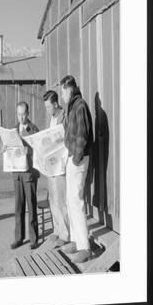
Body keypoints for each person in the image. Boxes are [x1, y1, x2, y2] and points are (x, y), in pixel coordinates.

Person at [60, 75, 93, 263]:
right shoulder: (73, 105)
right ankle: (75, 239)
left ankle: (84, 248)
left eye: (63, 92)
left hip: (78, 160)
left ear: (69, 89)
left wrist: (76, 158)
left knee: (77, 200)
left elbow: (83, 136)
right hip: (73, 158)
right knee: (70, 200)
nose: (62, 96)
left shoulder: (79, 105)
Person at [9, 101, 40, 250]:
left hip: (29, 174)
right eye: (18, 114)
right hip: (17, 173)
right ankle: (18, 238)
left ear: (28, 114)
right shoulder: (13, 130)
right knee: (18, 207)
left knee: (31, 206)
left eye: (23, 114)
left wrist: (30, 151)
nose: (21, 117)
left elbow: (39, 149)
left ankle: (34, 239)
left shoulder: (33, 129)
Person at [43, 90, 70, 247]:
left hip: (60, 164)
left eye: (48, 107)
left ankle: (65, 234)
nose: (47, 110)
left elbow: (65, 139)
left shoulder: (63, 117)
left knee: (61, 200)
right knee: (52, 199)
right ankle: (57, 230)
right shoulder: (52, 118)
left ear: (55, 104)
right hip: (51, 164)